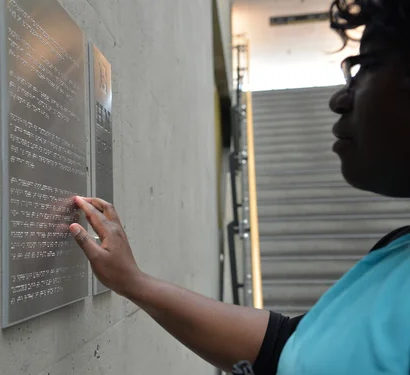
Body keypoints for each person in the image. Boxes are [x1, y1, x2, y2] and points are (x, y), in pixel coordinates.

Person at [68, 0, 410, 373]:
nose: (339, 98)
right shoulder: (397, 253)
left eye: (368, 65)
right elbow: (284, 346)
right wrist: (133, 282)